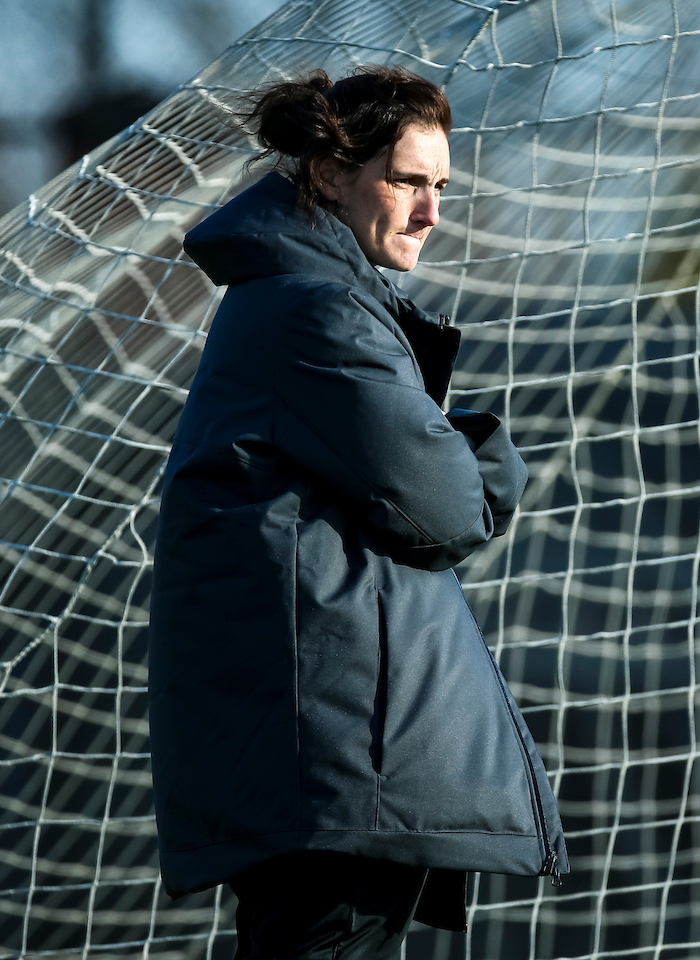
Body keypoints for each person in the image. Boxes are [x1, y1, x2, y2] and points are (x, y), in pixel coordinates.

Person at [148, 66, 568, 959]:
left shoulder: (296, 301)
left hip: (326, 763)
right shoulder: (318, 312)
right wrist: (477, 444)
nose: (431, 212)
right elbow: (448, 508)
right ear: (330, 175)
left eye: (441, 187)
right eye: (408, 181)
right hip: (336, 765)